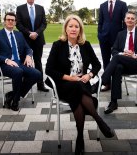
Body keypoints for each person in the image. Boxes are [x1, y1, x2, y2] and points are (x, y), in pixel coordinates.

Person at [45, 15, 114, 154]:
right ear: (65, 28)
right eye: (70, 26)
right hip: (64, 84)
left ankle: (80, 138)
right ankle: (98, 119)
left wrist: (89, 75)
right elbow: (49, 69)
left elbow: (97, 64)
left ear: (80, 29)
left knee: (78, 92)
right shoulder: (58, 45)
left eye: (76, 26)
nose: (73, 29)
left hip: (82, 83)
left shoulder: (85, 45)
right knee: (77, 87)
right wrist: (70, 78)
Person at [102, 11, 137, 114]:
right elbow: (114, 50)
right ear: (124, 20)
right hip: (123, 63)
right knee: (117, 67)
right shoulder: (121, 34)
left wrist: (135, 55)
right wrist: (122, 53)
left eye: (132, 18)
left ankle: (101, 82)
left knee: (116, 59)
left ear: (135, 21)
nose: (130, 20)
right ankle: (113, 102)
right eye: (128, 18)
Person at [0, 12, 42, 111]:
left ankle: (12, 95)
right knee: (18, 72)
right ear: (4, 22)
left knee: (37, 74)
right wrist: (6, 60)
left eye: (12, 20)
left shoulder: (19, 34)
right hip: (4, 65)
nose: (10, 22)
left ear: (15, 23)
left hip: (19, 63)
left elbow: (28, 48)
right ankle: (15, 101)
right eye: (8, 20)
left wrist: (28, 56)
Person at [16, 0, 49, 92]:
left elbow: (44, 23)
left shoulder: (40, 8)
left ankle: (40, 85)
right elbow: (18, 24)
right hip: (25, 40)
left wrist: (37, 33)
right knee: (25, 62)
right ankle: (25, 85)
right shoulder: (20, 8)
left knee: (38, 62)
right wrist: (29, 33)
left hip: (38, 40)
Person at [98, 0, 128, 92]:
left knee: (117, 60)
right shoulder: (102, 5)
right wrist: (99, 35)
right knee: (106, 61)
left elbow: (125, 23)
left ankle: (117, 82)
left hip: (117, 38)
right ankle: (107, 84)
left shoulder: (122, 4)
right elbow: (100, 23)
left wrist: (124, 37)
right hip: (104, 38)